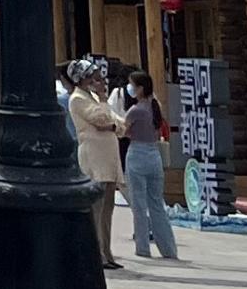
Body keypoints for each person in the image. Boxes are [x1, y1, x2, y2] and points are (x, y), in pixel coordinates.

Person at [67, 61, 127, 269]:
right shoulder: (77, 99)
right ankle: (96, 253)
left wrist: (112, 125)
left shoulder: (92, 99)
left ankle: (106, 252)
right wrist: (103, 103)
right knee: (96, 208)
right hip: (94, 158)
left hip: (108, 159)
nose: (97, 81)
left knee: (107, 209)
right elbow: (101, 118)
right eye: (93, 76)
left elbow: (118, 123)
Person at [120, 69, 179, 262]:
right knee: (156, 204)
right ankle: (168, 248)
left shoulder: (135, 110)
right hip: (154, 155)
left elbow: (123, 130)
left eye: (132, 85)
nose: (130, 89)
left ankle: (143, 246)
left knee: (139, 204)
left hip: (137, 153)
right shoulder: (155, 107)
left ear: (140, 88)